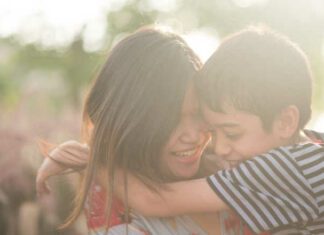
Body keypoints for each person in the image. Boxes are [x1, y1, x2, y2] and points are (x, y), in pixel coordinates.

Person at [37, 26, 251, 234]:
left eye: (197, 114)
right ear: (133, 120)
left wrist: (88, 159)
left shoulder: (239, 162)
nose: (193, 135)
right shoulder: (116, 205)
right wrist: (92, 160)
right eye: (171, 120)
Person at [110, 27, 324, 235]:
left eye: (232, 134)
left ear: (286, 122)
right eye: (213, 131)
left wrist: (97, 159)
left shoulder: (282, 168)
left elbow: (154, 200)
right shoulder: (312, 149)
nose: (219, 148)